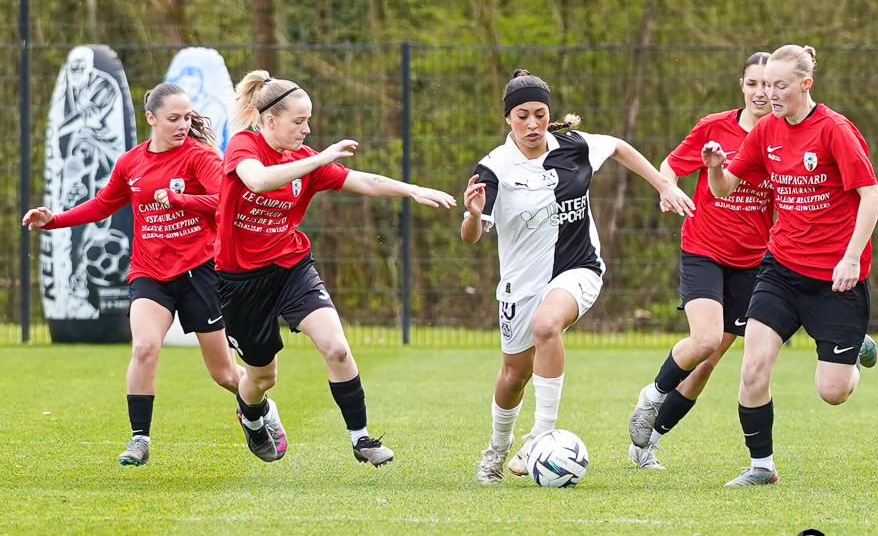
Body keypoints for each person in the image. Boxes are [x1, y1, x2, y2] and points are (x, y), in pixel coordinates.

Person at [463, 69, 695, 485]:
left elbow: (619, 147)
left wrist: (664, 184)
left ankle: (542, 434)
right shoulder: (494, 168)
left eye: (539, 114)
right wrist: (473, 214)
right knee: (514, 375)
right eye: (522, 116)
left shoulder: (574, 145)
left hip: (579, 268)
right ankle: (496, 450)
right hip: (520, 283)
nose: (532, 124)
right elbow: (472, 236)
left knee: (547, 325)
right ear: (508, 119)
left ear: (548, 114)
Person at [218, 70, 456, 466]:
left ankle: (361, 439)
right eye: (299, 121)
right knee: (262, 378)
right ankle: (253, 416)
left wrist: (411, 189)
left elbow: (363, 181)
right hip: (241, 281)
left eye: (309, 120)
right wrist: (320, 158)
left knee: (338, 348)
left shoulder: (306, 159)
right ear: (269, 120)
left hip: (292, 268)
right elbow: (258, 181)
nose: (307, 130)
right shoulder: (244, 145)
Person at [23, 82, 245, 466]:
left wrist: (180, 199)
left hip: (199, 271)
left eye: (187, 117)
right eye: (173, 118)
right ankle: (139, 439)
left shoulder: (200, 158)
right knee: (143, 347)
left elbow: (224, 202)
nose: (182, 125)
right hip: (149, 272)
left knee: (224, 374)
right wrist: (54, 220)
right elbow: (102, 204)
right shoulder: (131, 162)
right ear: (151, 119)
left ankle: (258, 407)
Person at [702, 45, 878, 486]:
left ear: (806, 84)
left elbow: (872, 196)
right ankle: (761, 467)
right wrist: (715, 168)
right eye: (766, 85)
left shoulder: (835, 130)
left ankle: (854, 349)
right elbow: (725, 188)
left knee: (833, 392)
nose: (770, 94)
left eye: (780, 86)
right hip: (781, 270)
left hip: (836, 279)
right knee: (752, 368)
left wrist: (851, 258)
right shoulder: (766, 130)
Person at [626, 52, 776, 470]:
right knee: (705, 339)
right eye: (752, 83)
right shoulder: (714, 127)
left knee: (706, 364)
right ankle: (652, 396)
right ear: (741, 85)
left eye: (767, 84)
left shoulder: (785, 136)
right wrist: (668, 189)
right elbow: (671, 165)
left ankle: (645, 444)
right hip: (704, 250)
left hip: (752, 262)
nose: (760, 92)